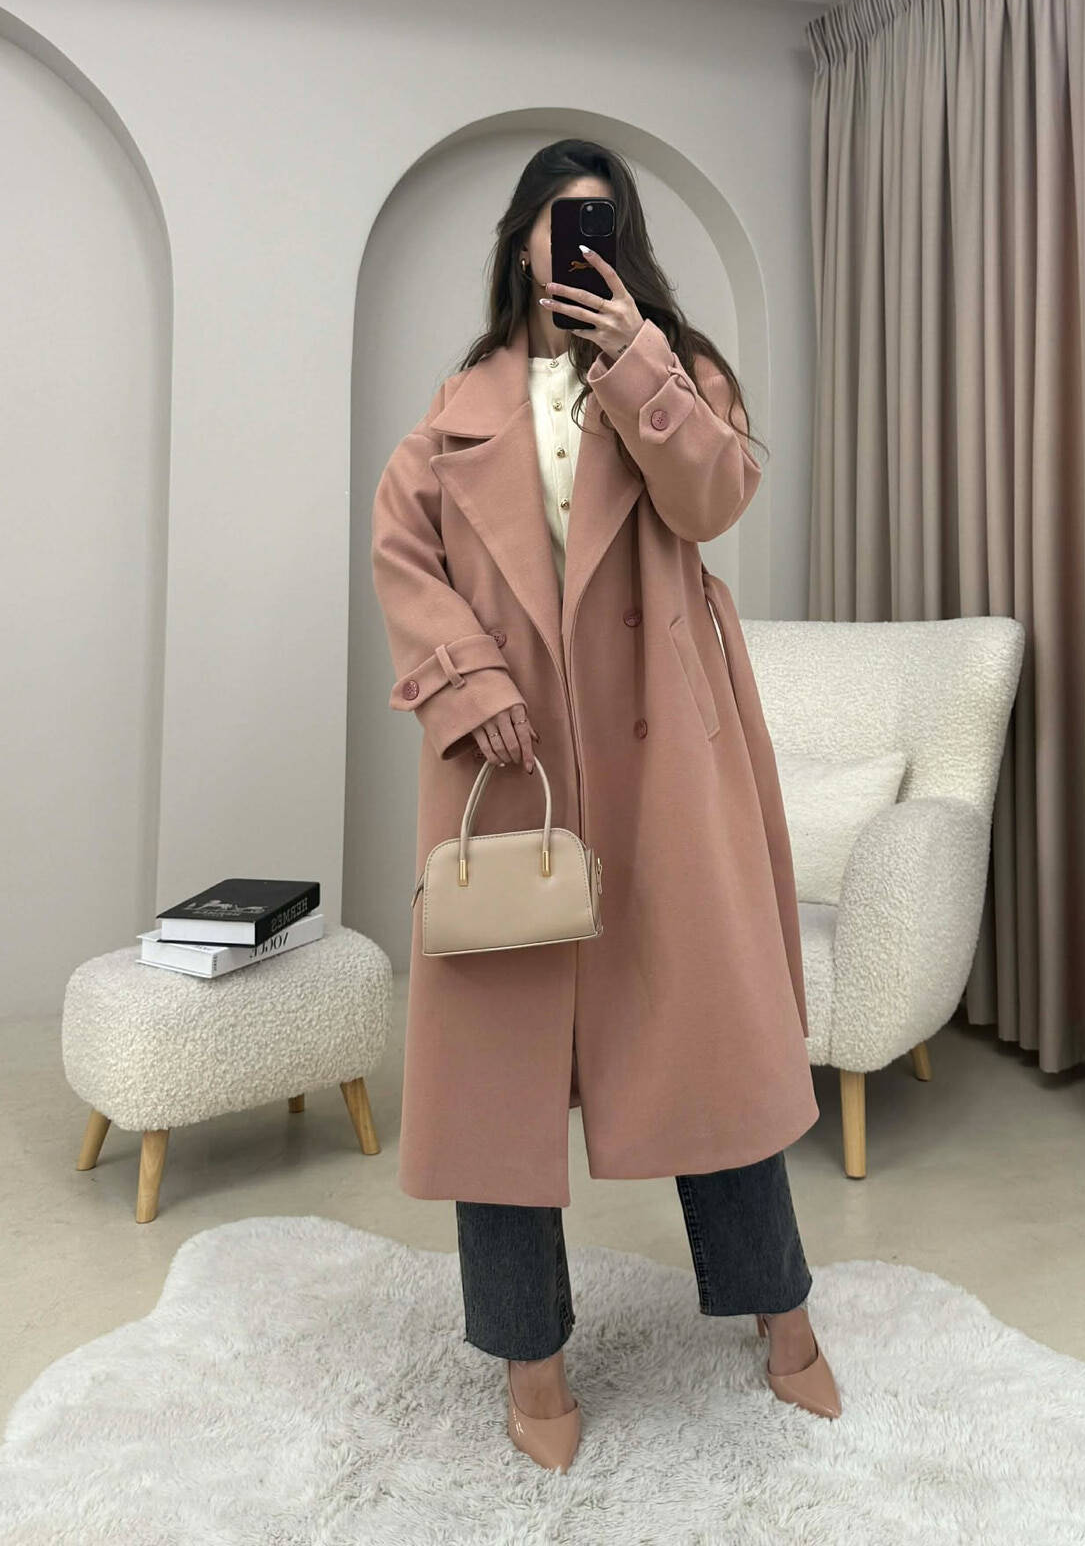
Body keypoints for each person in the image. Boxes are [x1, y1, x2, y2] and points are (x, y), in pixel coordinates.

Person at [371, 139, 841, 1471]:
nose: (577, 236)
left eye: (603, 219)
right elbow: (403, 558)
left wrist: (637, 358)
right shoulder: (452, 414)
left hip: (664, 754)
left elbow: (716, 498)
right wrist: (469, 683)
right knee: (498, 1072)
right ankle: (532, 1359)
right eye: (558, 217)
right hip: (511, 756)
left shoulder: (675, 372)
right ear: (520, 237)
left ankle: (784, 1317)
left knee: (711, 1039)